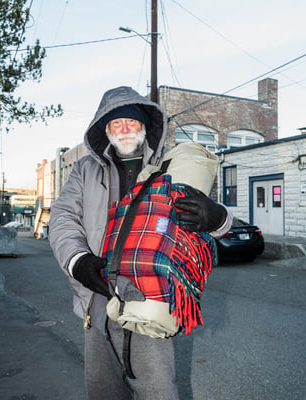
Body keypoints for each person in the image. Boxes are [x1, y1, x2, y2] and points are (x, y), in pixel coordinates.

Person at [49, 86, 232, 400]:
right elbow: (63, 219)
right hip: (98, 297)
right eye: (115, 124)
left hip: (152, 298)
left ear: (144, 127)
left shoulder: (172, 165)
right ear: (105, 130)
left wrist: (216, 217)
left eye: (131, 122)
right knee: (104, 392)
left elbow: (209, 222)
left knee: (157, 390)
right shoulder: (84, 171)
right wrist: (78, 262)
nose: (124, 129)